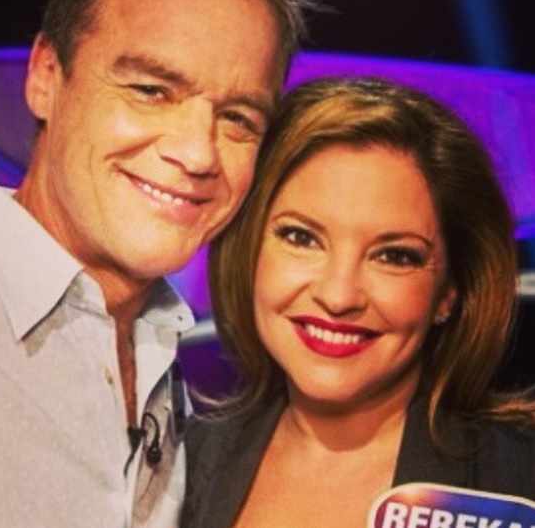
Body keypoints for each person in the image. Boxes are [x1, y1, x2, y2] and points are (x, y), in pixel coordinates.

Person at [0, 0, 313, 526]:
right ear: (46, 76)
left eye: (238, 118)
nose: (198, 153)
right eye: (151, 91)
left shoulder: (172, 372)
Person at [181, 77, 535, 528]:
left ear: (449, 292)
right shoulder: (170, 473)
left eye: (394, 256)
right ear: (249, 250)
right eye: (301, 237)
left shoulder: (520, 480)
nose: (338, 296)